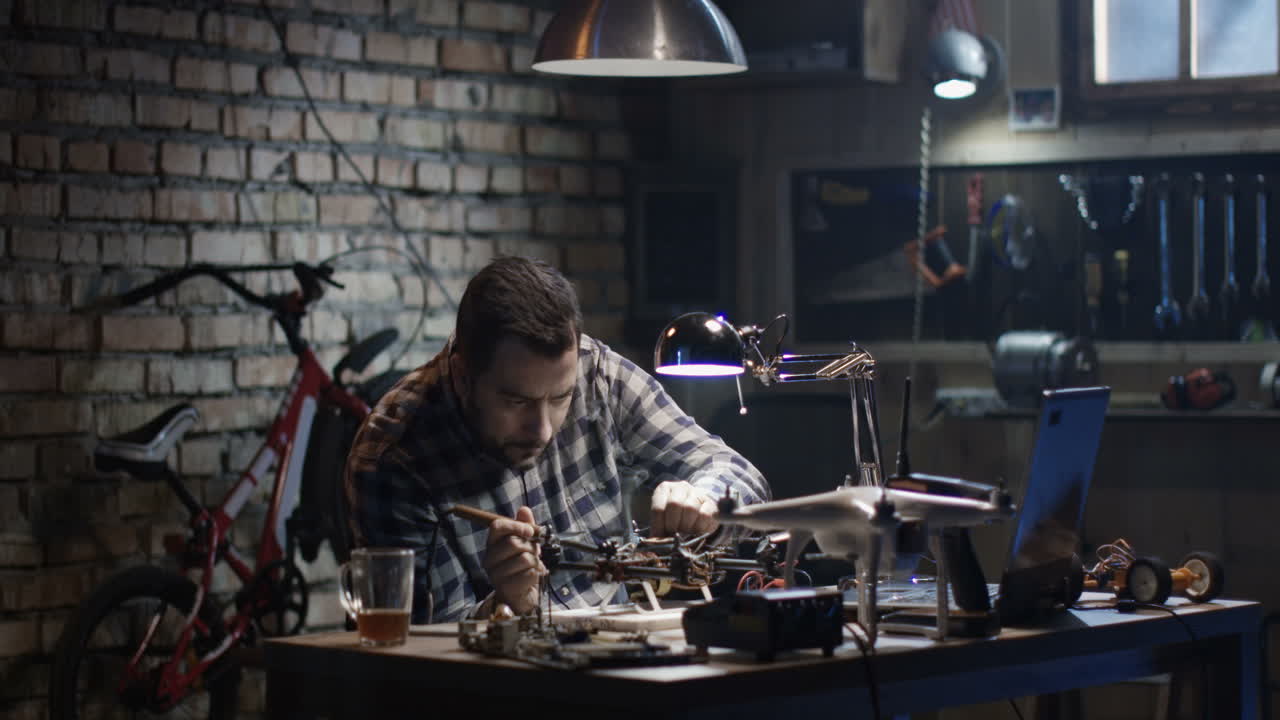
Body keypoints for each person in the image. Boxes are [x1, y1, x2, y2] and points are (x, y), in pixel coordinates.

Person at [345, 255, 770, 622]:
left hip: (625, 660)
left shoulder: (598, 373)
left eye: (561, 398)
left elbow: (740, 476)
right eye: (516, 401)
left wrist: (706, 501)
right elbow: (420, 660)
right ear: (462, 374)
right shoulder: (394, 458)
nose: (543, 429)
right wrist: (505, 604)